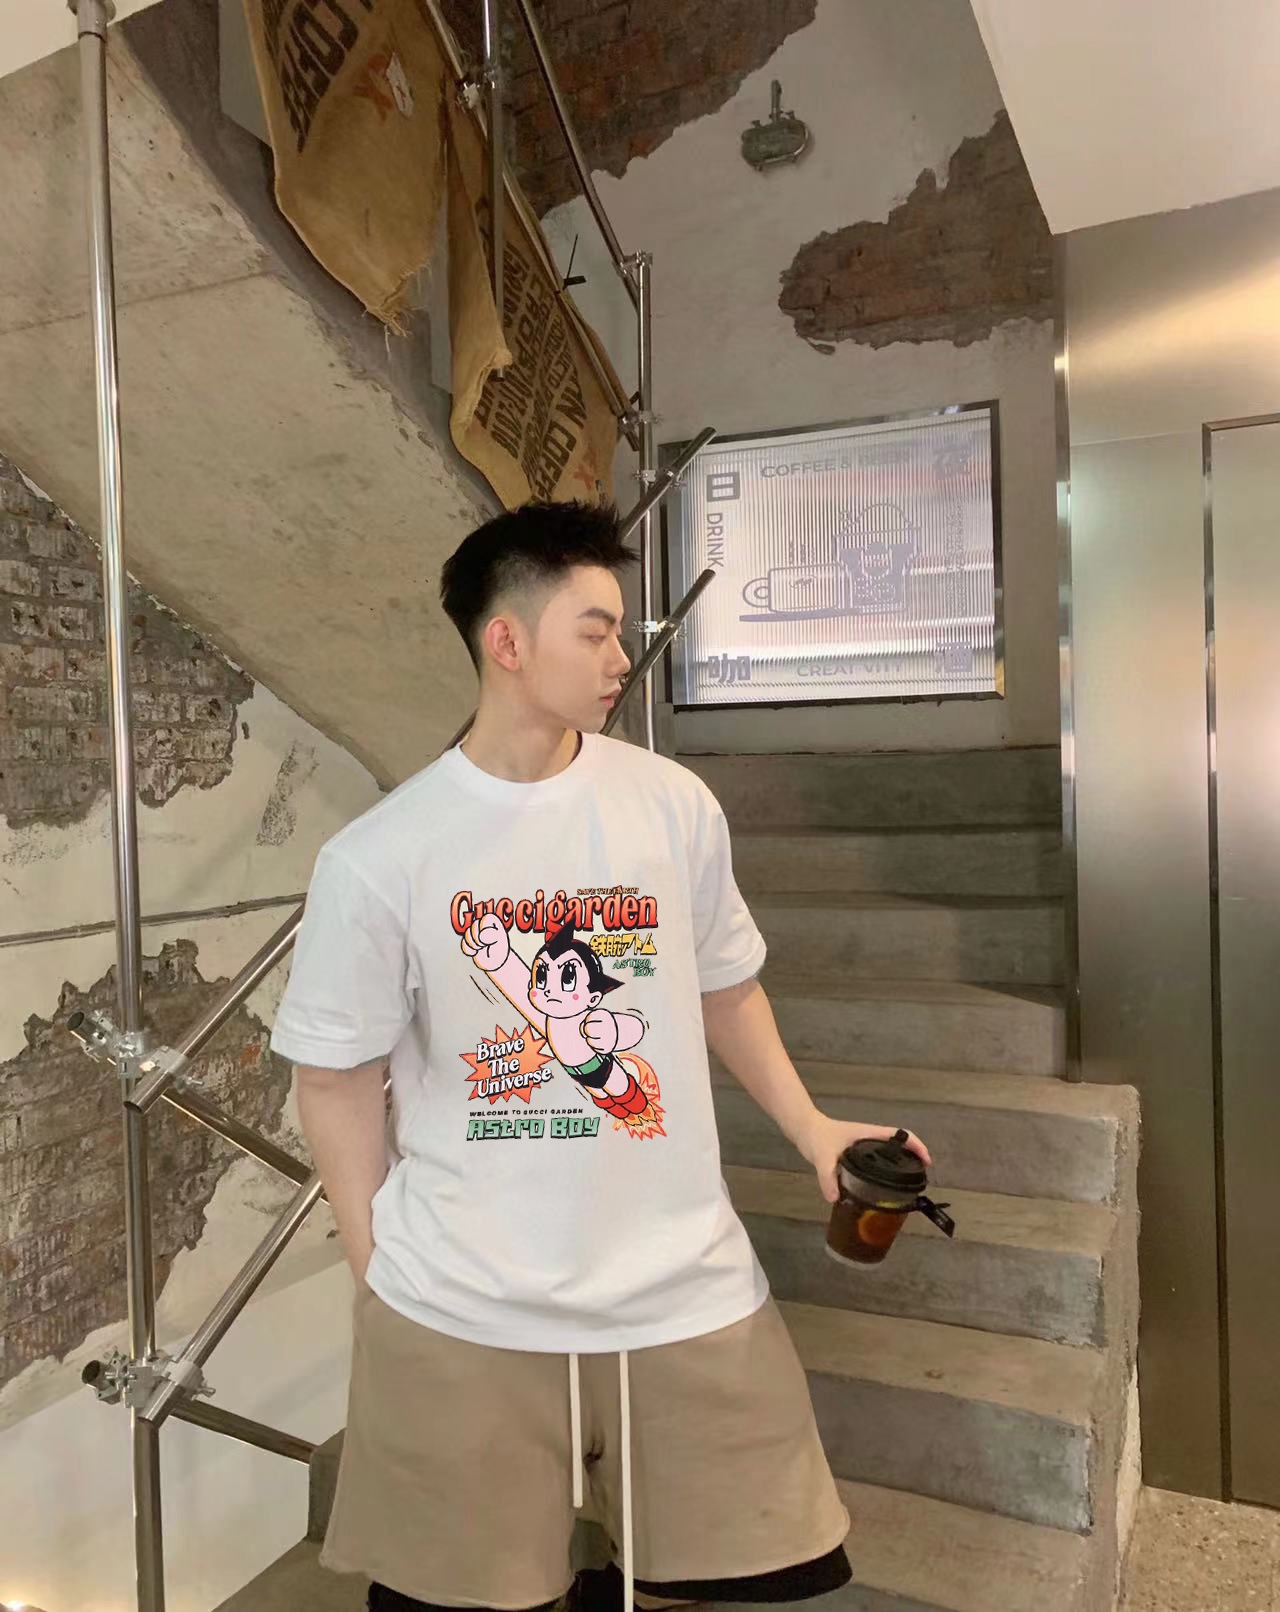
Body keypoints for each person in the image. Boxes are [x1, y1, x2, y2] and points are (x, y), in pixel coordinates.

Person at [269, 501, 931, 1612]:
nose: (623, 657)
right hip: (464, 1303)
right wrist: (376, 1265)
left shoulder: (671, 805)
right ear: (506, 640)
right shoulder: (381, 856)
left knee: (736, 1574)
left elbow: (725, 986)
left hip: (680, 1284)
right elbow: (333, 1077)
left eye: (621, 631)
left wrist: (814, 1129)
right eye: (596, 631)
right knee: (467, 1599)